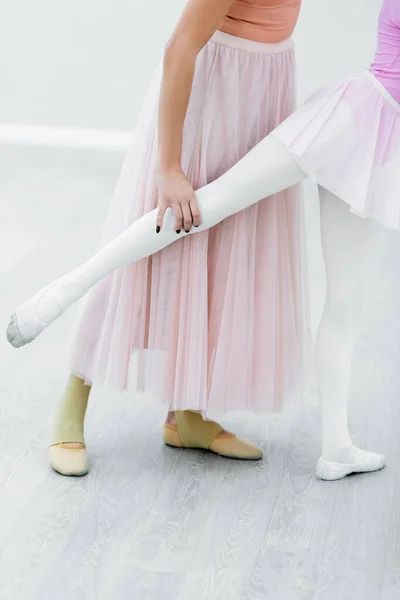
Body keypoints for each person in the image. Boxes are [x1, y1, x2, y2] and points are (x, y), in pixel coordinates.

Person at [7, 0, 311, 477]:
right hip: (209, 102)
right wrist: (170, 166)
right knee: (142, 253)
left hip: (259, 102)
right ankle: (73, 398)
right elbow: (179, 47)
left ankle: (187, 413)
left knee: (219, 252)